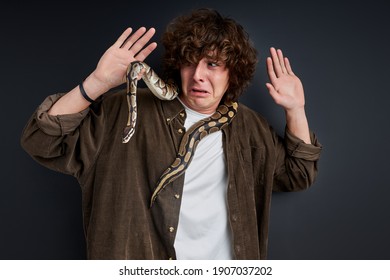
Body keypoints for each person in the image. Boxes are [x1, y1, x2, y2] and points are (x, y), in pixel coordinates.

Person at [20, 8, 322, 260]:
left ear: (233, 72)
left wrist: (296, 109)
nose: (198, 75)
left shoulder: (250, 127)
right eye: (189, 62)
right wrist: (97, 82)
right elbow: (42, 141)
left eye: (213, 64)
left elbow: (298, 175)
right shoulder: (121, 110)